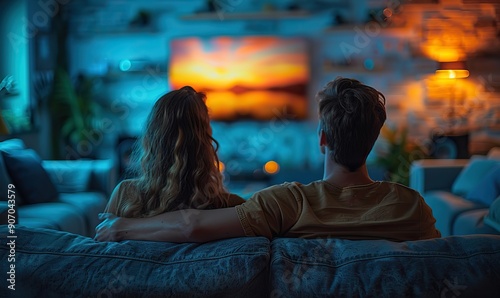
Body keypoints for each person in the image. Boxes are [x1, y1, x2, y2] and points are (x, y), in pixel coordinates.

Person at [95, 77, 441, 243]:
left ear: (321, 138)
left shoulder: (286, 204)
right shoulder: (412, 206)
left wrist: (119, 227)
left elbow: (192, 225)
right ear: (375, 137)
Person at [103, 86, 244, 219]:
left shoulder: (125, 195)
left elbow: (102, 243)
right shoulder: (228, 206)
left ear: (151, 139)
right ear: (205, 142)